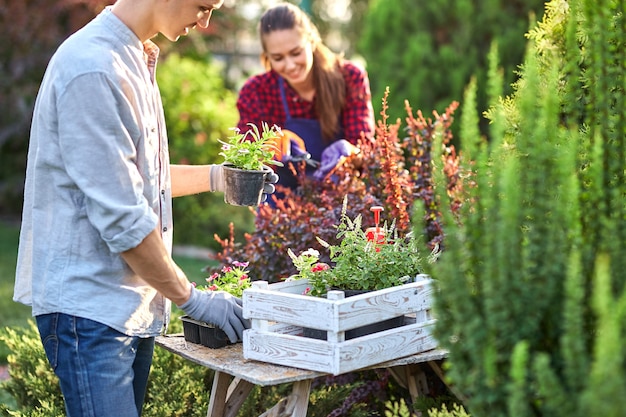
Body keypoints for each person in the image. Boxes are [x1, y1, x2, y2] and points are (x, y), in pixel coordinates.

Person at [13, 1, 277, 416]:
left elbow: (135, 179)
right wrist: (195, 300)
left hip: (123, 311)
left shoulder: (133, 55)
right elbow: (123, 222)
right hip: (91, 315)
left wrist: (218, 177)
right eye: (203, 6)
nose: (206, 21)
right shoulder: (94, 68)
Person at [236, 2, 375, 193]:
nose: (290, 65)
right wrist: (269, 147)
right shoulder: (257, 91)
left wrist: (350, 152)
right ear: (266, 57)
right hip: (282, 205)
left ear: (311, 41)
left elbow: (365, 151)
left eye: (296, 53)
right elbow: (245, 161)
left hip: (338, 197)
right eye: (278, 58)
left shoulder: (349, 78)